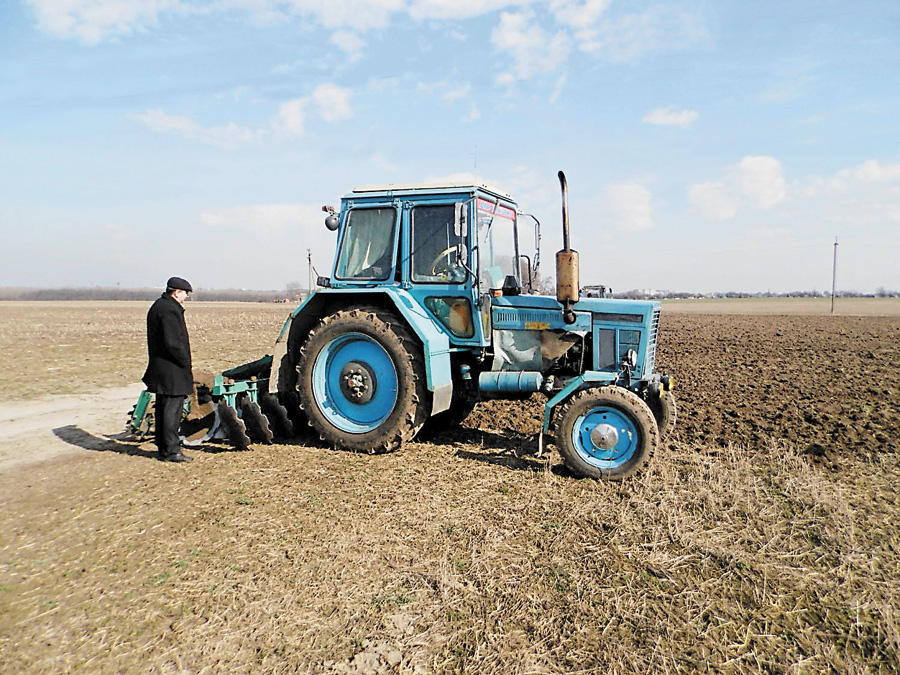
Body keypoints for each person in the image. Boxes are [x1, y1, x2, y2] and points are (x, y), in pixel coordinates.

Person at [142, 276, 195, 462]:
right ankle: (172, 450)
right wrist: (185, 362)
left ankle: (164, 447)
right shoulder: (169, 310)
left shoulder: (159, 306)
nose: (186, 297)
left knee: (164, 407)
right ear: (176, 292)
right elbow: (173, 342)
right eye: (185, 293)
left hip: (162, 367)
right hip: (172, 368)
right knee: (172, 410)